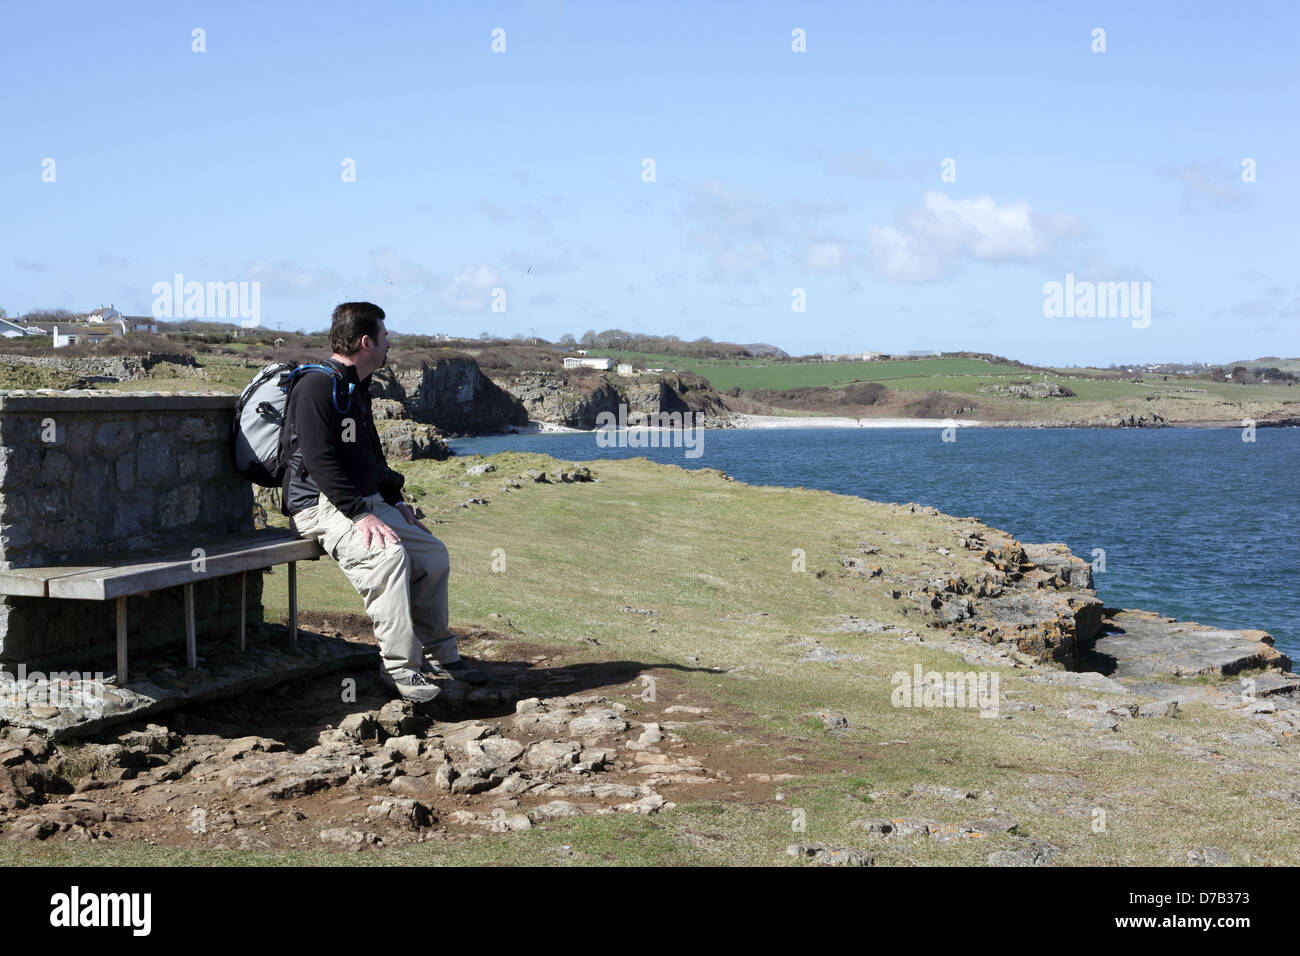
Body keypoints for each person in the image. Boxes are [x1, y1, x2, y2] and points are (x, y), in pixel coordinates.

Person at [282, 301, 486, 702]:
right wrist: (359, 514)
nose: (390, 343)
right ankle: (400, 670)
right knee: (388, 557)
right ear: (366, 341)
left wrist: (395, 500)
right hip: (319, 505)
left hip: (363, 500)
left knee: (432, 556)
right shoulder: (316, 386)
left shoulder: (356, 388)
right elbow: (320, 460)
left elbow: (371, 456)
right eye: (385, 336)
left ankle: (440, 653)